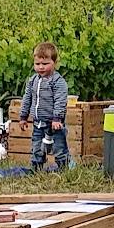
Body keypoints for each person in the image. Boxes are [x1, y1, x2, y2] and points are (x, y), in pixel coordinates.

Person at [18, 42, 70, 170]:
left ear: (54, 63)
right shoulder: (33, 81)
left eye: (45, 64)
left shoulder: (58, 82)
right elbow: (27, 98)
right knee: (36, 146)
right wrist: (23, 116)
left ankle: (64, 167)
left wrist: (57, 118)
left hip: (54, 123)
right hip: (38, 123)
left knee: (59, 147)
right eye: (37, 64)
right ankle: (36, 168)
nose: (41, 67)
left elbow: (60, 101)